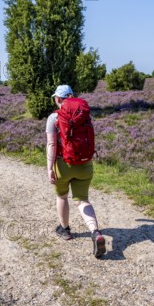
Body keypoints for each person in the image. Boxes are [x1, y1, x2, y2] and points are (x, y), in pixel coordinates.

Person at [46, 84, 106, 258]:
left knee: (62, 197)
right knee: (82, 201)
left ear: (58, 99)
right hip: (85, 164)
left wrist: (49, 168)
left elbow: (51, 144)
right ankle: (95, 232)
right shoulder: (85, 115)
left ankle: (65, 230)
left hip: (62, 164)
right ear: (72, 97)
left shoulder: (53, 118)